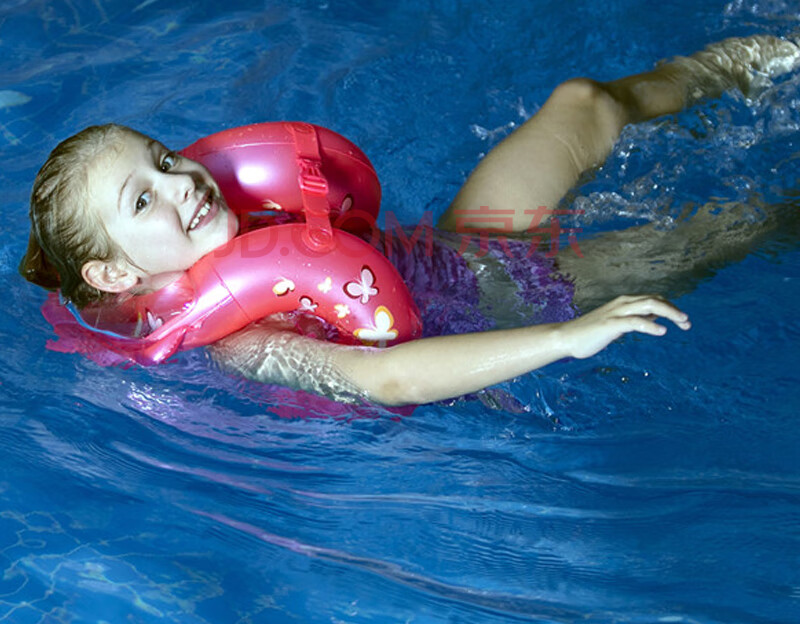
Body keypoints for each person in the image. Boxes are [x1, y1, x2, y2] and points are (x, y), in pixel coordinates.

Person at [20, 35, 800, 406]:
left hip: (463, 246)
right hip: (514, 303)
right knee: (730, 224)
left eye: (163, 159)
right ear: (113, 274)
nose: (179, 182)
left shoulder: (247, 212)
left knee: (583, 101)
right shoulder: (244, 342)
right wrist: (565, 337)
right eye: (142, 200)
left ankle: (763, 57)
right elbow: (387, 378)